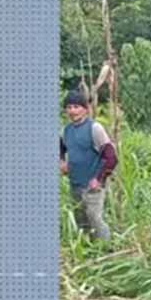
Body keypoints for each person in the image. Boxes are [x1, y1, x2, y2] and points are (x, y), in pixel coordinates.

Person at [60, 90, 117, 241]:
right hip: (75, 185)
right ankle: (88, 254)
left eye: (76, 106)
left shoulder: (95, 128)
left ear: (85, 109)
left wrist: (99, 179)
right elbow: (61, 148)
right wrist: (62, 162)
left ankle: (108, 250)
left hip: (93, 187)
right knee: (81, 223)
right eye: (69, 107)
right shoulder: (67, 131)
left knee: (95, 220)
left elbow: (111, 157)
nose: (72, 111)